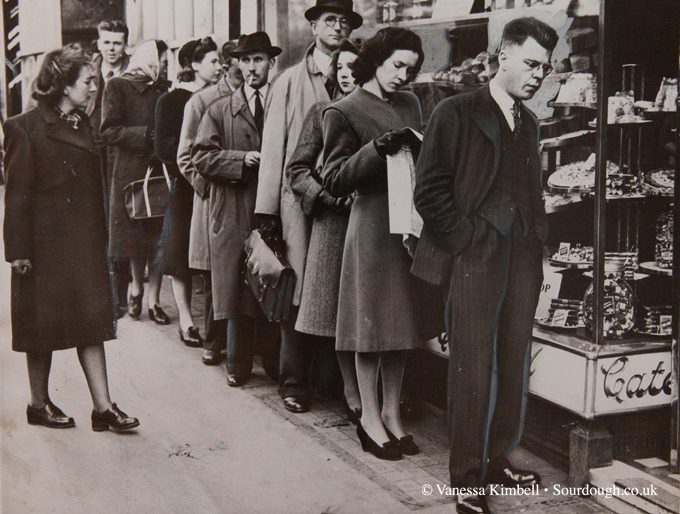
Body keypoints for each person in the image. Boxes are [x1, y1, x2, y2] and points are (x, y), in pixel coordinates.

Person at [413, 17, 558, 514]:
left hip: (521, 260)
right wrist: (467, 239)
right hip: (475, 258)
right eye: (532, 64)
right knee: (473, 368)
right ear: (503, 55)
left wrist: (538, 239)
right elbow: (428, 192)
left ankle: (497, 457)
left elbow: (531, 192)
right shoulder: (454, 111)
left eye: (546, 67)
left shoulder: (529, 120)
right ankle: (467, 479)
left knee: (514, 362)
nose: (539, 75)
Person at [3, 44, 138, 432]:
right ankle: (37, 403)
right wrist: (18, 251)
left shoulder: (84, 123)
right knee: (39, 326)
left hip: (81, 244)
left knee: (91, 321)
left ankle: (103, 408)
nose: (94, 87)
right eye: (88, 81)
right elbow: (16, 195)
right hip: (42, 248)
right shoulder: (23, 127)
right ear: (64, 85)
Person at [322, 27, 425, 461]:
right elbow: (332, 177)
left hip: (409, 221)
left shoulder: (411, 103)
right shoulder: (342, 110)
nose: (403, 75)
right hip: (370, 223)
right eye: (396, 65)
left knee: (401, 325)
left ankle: (391, 412)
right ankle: (368, 417)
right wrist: (375, 151)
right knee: (370, 325)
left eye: (411, 68)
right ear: (376, 60)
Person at [255, 0, 363, 415]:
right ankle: (294, 381)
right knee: (300, 290)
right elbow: (274, 150)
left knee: (336, 290)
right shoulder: (290, 81)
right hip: (299, 203)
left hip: (344, 205)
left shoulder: (357, 71)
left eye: (344, 21)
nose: (338, 27)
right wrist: (266, 214)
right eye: (330, 20)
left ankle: (331, 382)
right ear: (314, 26)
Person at [191, 32, 280, 387]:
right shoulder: (218, 110)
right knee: (234, 290)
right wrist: (241, 159)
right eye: (245, 60)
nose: (251, 67)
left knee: (273, 283)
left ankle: (273, 363)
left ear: (270, 63)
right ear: (237, 65)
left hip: (270, 209)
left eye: (258, 60)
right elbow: (200, 157)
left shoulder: (279, 105)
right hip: (233, 209)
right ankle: (237, 365)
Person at [285, 39, 361, 422]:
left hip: (368, 222)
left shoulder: (375, 111)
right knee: (321, 307)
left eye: (355, 66)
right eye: (341, 67)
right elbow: (296, 169)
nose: (348, 73)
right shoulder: (321, 112)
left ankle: (357, 391)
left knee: (360, 310)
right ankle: (305, 385)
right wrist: (329, 199)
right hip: (331, 223)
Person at [176, 40, 243, 366]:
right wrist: (207, 189)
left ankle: (242, 344)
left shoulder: (259, 96)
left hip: (245, 198)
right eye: (237, 61)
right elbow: (185, 156)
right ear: (229, 64)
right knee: (216, 272)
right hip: (214, 199)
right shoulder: (201, 101)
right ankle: (213, 340)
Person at [154, 37, 221, 347]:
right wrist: (197, 156)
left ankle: (214, 321)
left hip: (216, 184)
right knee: (180, 254)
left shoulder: (221, 96)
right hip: (186, 185)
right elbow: (164, 146)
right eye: (213, 61)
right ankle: (186, 320)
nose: (219, 66)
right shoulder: (172, 100)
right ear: (195, 65)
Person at [101, 39, 170, 324]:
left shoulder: (162, 89)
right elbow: (109, 131)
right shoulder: (117, 86)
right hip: (129, 172)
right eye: (164, 61)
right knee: (135, 235)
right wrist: (145, 135)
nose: (166, 66)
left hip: (157, 169)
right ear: (151, 60)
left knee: (157, 236)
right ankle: (136, 287)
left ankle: (154, 300)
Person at [85, 19, 131, 318]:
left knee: (119, 222)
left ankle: (121, 295)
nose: (112, 48)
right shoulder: (87, 71)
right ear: (98, 43)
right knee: (92, 220)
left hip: (119, 154)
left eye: (117, 43)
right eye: (107, 42)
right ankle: (96, 292)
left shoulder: (131, 71)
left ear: (125, 44)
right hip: (90, 154)